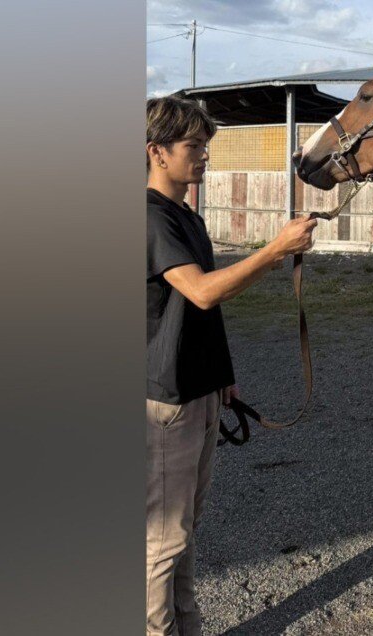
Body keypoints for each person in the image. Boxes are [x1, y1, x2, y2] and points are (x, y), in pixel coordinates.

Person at [145, 96, 317, 636]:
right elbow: (198, 292)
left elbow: (203, 311)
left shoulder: (187, 217)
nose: (204, 157)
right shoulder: (149, 219)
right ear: (157, 152)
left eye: (205, 147)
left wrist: (222, 375)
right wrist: (273, 250)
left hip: (198, 392)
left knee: (185, 531)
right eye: (194, 147)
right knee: (164, 539)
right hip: (165, 401)